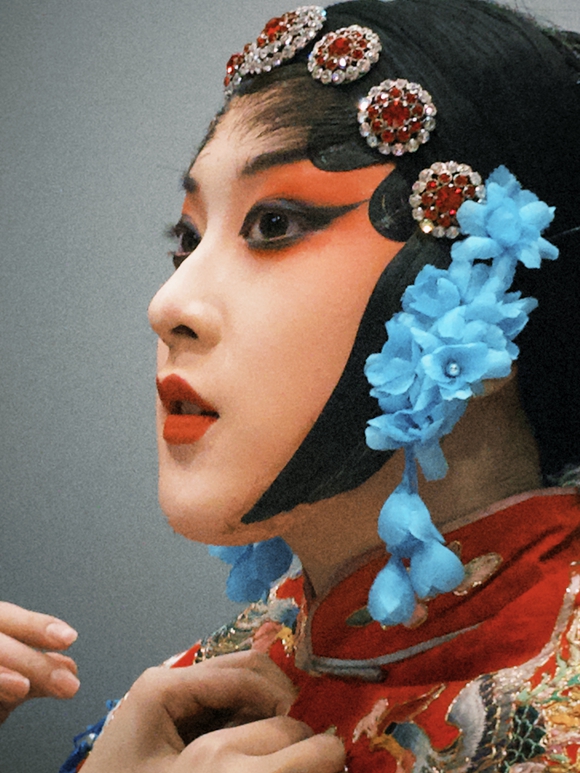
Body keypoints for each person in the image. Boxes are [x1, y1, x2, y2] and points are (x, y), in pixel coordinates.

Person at [39, 0, 580, 769]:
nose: (168, 305)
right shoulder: (182, 703)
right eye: (188, 239)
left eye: (275, 225)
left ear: (490, 306)